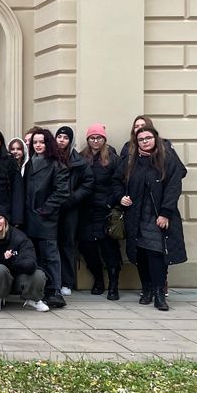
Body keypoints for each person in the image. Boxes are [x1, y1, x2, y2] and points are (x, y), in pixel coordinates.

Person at [116, 125, 187, 312]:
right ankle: (146, 289)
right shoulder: (131, 160)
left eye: (148, 138)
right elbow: (117, 181)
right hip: (136, 214)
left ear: (155, 138)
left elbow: (173, 187)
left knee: (156, 253)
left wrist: (165, 213)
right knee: (140, 254)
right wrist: (121, 197)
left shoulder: (167, 159)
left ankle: (159, 293)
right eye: (141, 139)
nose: (145, 141)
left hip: (157, 215)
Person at [23, 127, 70, 308]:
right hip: (30, 218)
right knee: (36, 255)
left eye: (42, 142)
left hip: (46, 219)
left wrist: (45, 210)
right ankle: (40, 290)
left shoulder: (57, 164)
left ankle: (55, 290)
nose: (38, 145)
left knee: (50, 255)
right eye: (35, 142)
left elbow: (62, 192)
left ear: (48, 143)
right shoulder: (29, 164)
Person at [79, 124, 123, 300]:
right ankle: (98, 279)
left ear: (104, 139)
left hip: (105, 212)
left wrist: (109, 202)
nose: (95, 141)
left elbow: (118, 183)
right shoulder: (82, 157)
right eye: (92, 138)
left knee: (109, 250)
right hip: (86, 211)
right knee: (87, 248)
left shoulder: (113, 159)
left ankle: (113, 285)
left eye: (98, 137)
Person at [0, 207, 49, 312]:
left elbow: (30, 263)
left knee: (38, 274)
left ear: (5, 220)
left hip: (18, 279)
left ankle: (33, 299)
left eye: (0, 218)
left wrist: (11, 260)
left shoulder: (20, 238)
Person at [54, 126, 95, 296]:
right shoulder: (49, 157)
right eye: (59, 137)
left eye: (65, 138)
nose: (62, 140)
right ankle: (52, 280)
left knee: (67, 244)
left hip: (70, 209)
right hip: (51, 208)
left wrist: (74, 198)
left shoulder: (79, 161)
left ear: (70, 141)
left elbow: (88, 183)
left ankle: (67, 282)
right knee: (51, 244)